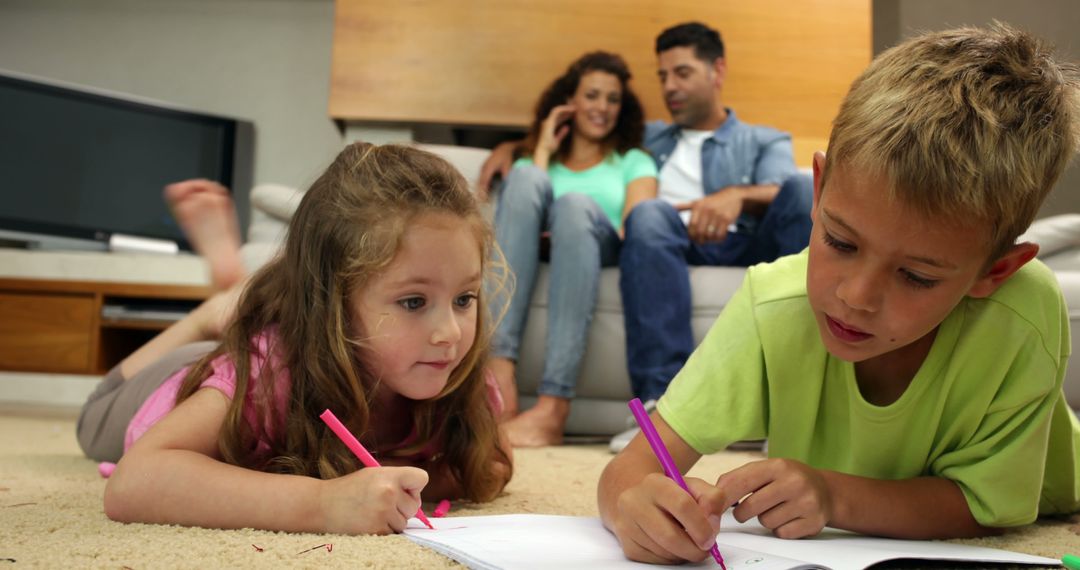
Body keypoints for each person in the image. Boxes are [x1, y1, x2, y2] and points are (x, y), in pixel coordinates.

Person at [597, 22, 1080, 565]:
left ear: (996, 271)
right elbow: (631, 468)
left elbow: (987, 505)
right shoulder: (772, 304)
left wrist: (833, 496)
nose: (855, 297)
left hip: (1057, 498)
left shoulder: (1023, 311)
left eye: (917, 276)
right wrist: (630, 502)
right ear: (819, 188)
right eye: (840, 241)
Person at [77, 142, 513, 535]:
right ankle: (210, 314)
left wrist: (403, 479)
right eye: (414, 302)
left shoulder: (460, 375)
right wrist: (323, 503)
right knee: (93, 418)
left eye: (464, 298)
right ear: (333, 304)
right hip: (163, 384)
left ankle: (231, 306)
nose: (450, 333)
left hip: (247, 355)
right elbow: (133, 483)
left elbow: (490, 463)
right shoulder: (268, 376)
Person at [478, 24, 812, 451]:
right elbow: (586, 134)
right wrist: (511, 149)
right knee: (650, 214)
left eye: (682, 73)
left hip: (745, 241)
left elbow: (784, 191)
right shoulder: (648, 137)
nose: (670, 87)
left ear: (718, 71)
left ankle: (790, 406)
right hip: (665, 241)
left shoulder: (762, 139)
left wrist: (736, 196)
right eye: (663, 76)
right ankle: (662, 405)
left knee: (802, 190)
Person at [489, 51, 658, 448]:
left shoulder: (633, 160)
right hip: (545, 249)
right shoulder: (538, 161)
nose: (602, 107)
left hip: (600, 244)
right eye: (592, 95)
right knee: (528, 175)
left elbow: (638, 227)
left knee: (573, 206)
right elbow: (525, 209)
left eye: (612, 99)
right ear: (569, 103)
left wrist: (573, 223)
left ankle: (553, 406)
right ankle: (498, 374)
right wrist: (543, 148)